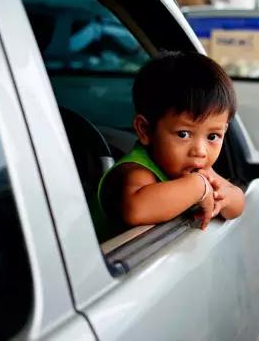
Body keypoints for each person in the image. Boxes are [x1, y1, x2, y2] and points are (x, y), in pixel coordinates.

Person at [97, 51, 245, 233]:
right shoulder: (136, 171)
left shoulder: (199, 169)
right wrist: (198, 187)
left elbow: (237, 202)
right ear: (145, 130)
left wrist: (224, 197)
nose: (200, 151)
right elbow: (136, 210)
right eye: (183, 134)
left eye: (212, 137)